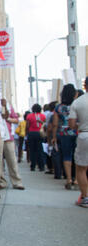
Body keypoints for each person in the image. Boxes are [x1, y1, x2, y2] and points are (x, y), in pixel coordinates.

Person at [52, 84, 78, 190]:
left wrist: (54, 137)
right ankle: (76, 179)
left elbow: (54, 124)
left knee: (66, 156)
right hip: (77, 132)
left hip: (64, 133)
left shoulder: (58, 107)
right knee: (77, 156)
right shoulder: (77, 105)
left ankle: (68, 179)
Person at [69, 78, 88, 207]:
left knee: (81, 169)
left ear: (85, 85)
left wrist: (80, 125)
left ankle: (86, 198)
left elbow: (71, 124)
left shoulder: (78, 102)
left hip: (84, 135)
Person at [0, 99, 25, 190]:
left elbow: (16, 120)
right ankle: (1, 181)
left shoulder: (8, 106)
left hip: (8, 136)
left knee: (12, 160)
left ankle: (17, 181)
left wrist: (7, 115)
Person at [26, 104, 46, 172]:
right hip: (39, 133)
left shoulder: (29, 116)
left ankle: (33, 166)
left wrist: (27, 133)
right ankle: (41, 166)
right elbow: (45, 124)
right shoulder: (42, 116)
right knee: (40, 150)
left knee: (32, 150)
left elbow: (27, 126)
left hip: (31, 133)